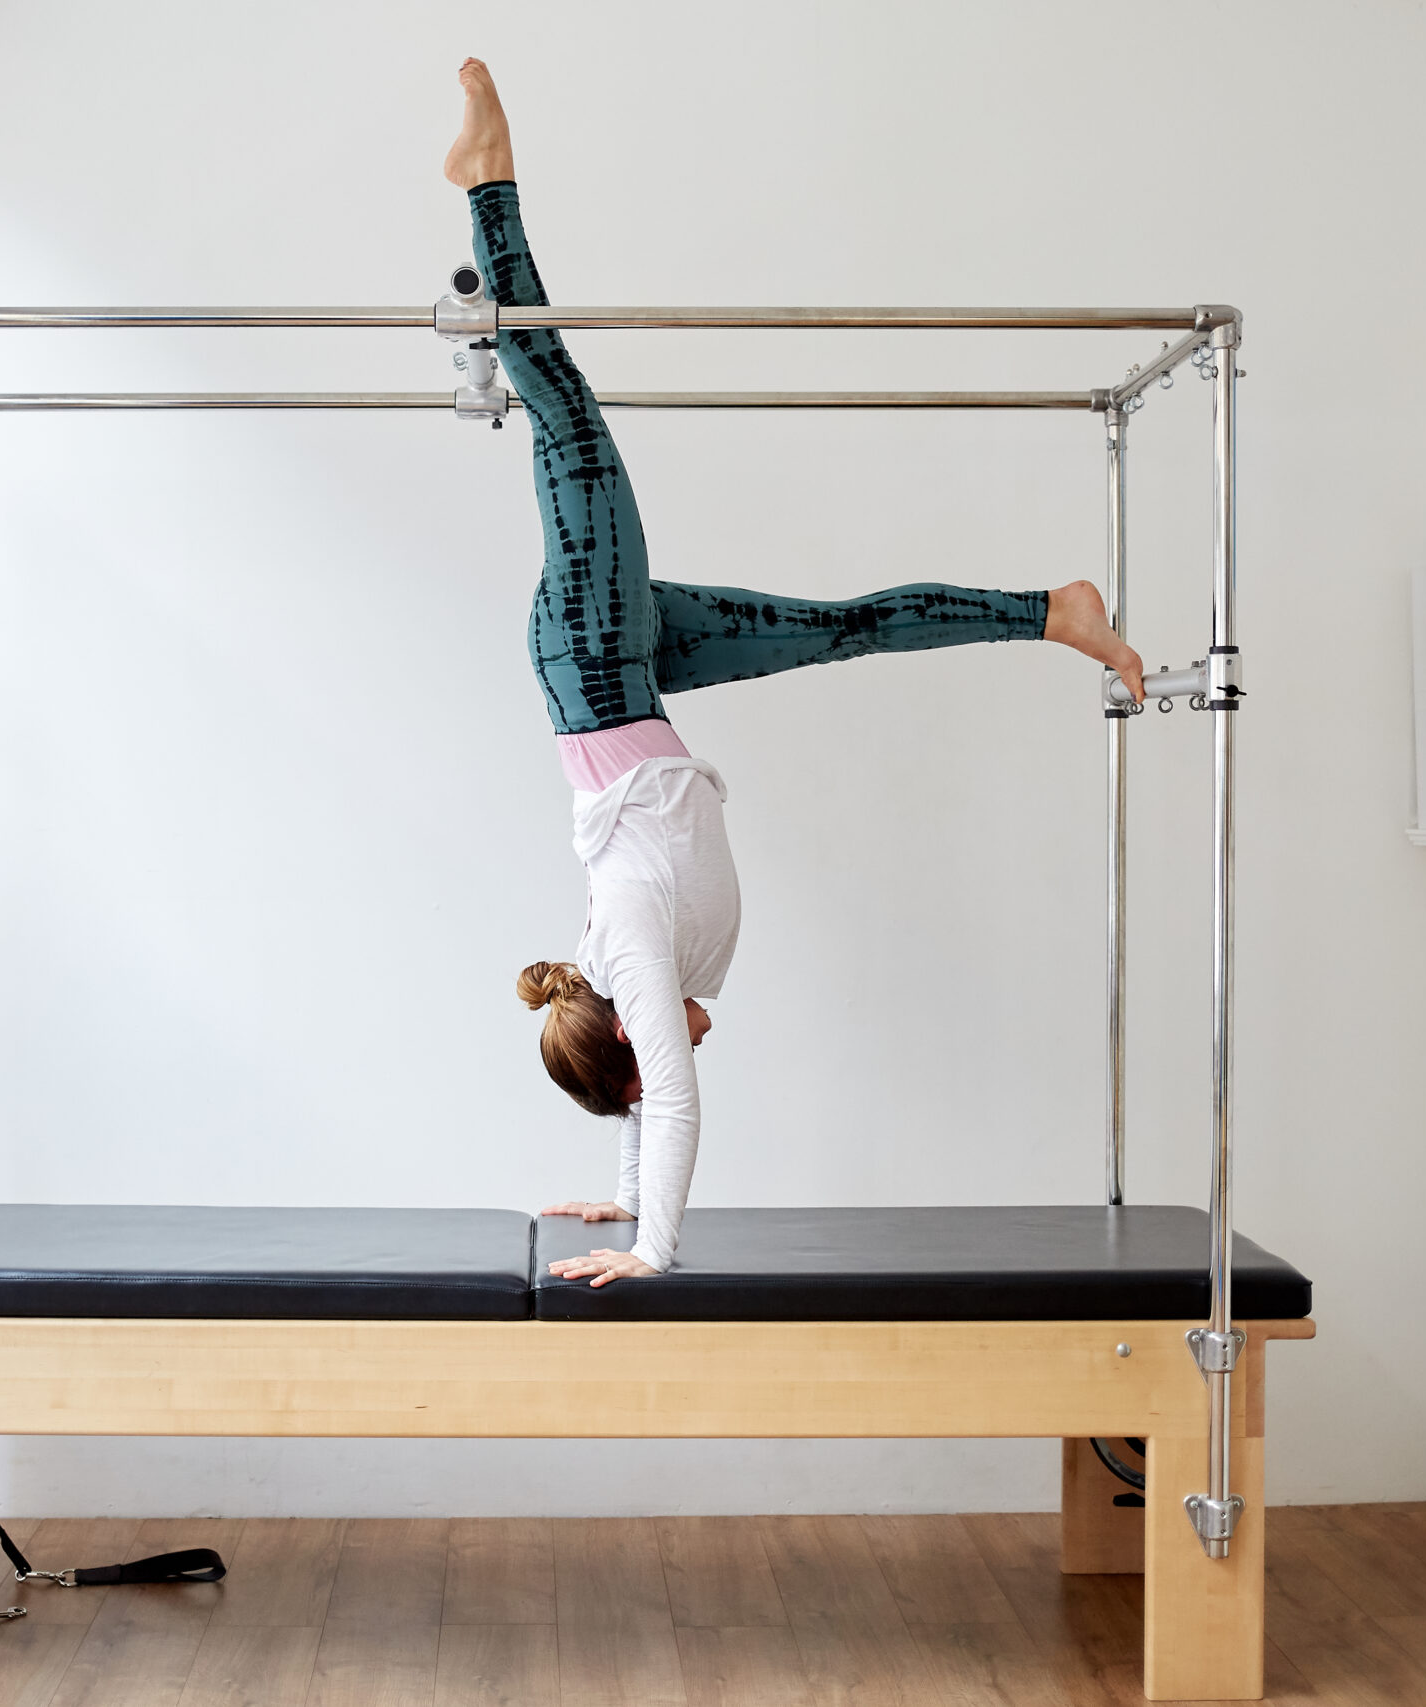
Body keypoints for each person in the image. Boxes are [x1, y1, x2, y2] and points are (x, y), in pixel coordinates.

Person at [445, 61, 1145, 1286]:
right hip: (635, 678)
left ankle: (486, 191)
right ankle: (1054, 613)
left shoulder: (632, 952)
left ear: (626, 1033)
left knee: (561, 408)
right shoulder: (629, 976)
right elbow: (642, 1096)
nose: (691, 1047)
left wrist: (653, 1250)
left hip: (594, 657)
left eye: (663, 1050)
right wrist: (613, 1210)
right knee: (842, 629)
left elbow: (665, 1098)